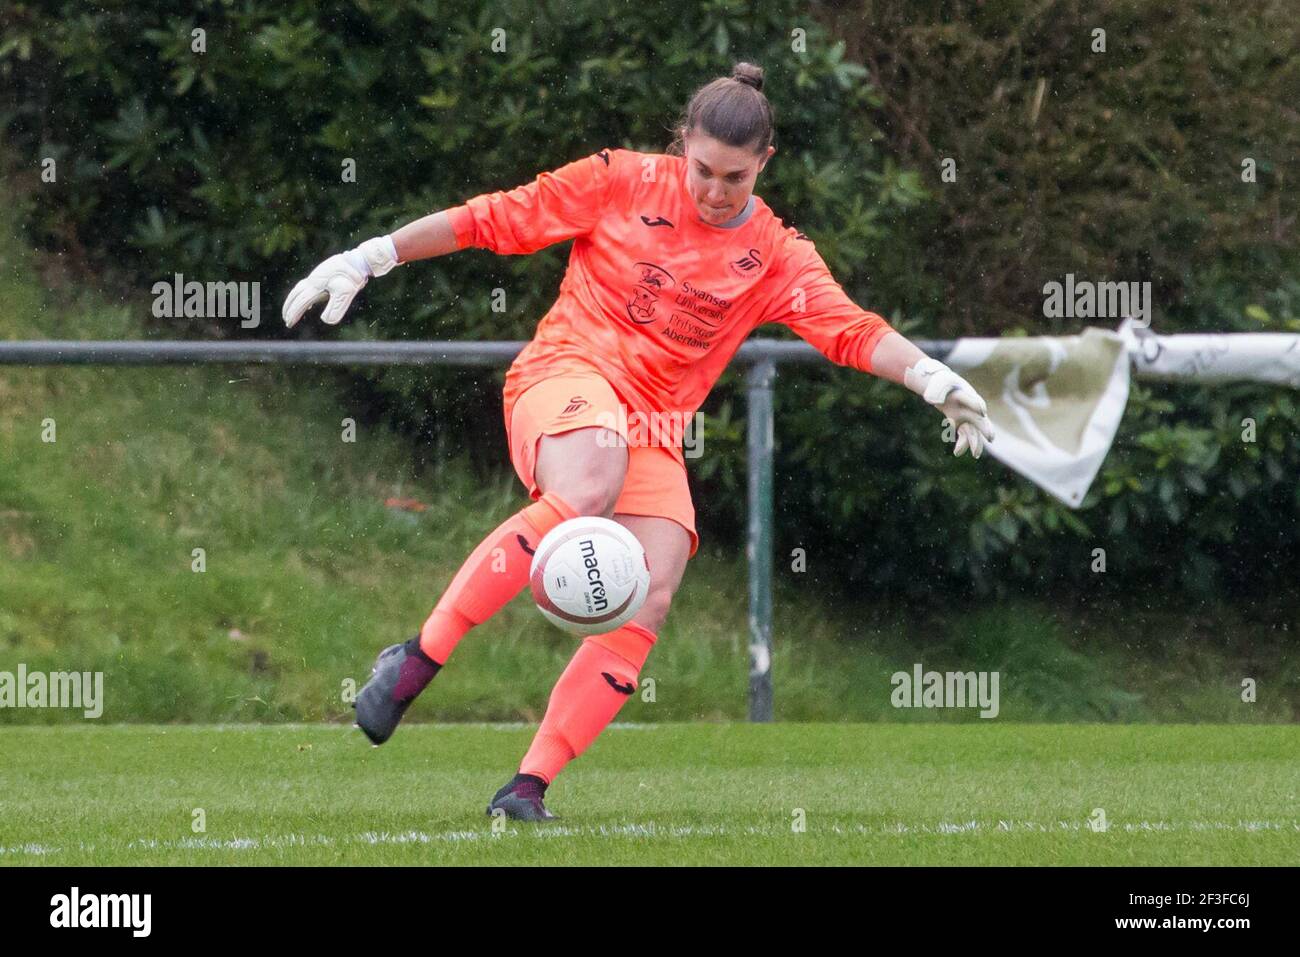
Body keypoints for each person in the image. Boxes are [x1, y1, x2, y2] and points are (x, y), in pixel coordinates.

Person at [281, 62, 994, 821]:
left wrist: (931, 378)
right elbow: (495, 217)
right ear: (681, 144)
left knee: (650, 588)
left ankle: (525, 789)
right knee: (589, 481)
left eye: (736, 177)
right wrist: (374, 254)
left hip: (653, 423)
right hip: (565, 374)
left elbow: (850, 328)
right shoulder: (618, 179)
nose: (716, 191)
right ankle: (417, 659)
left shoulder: (778, 254)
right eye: (704, 170)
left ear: (765, 164)